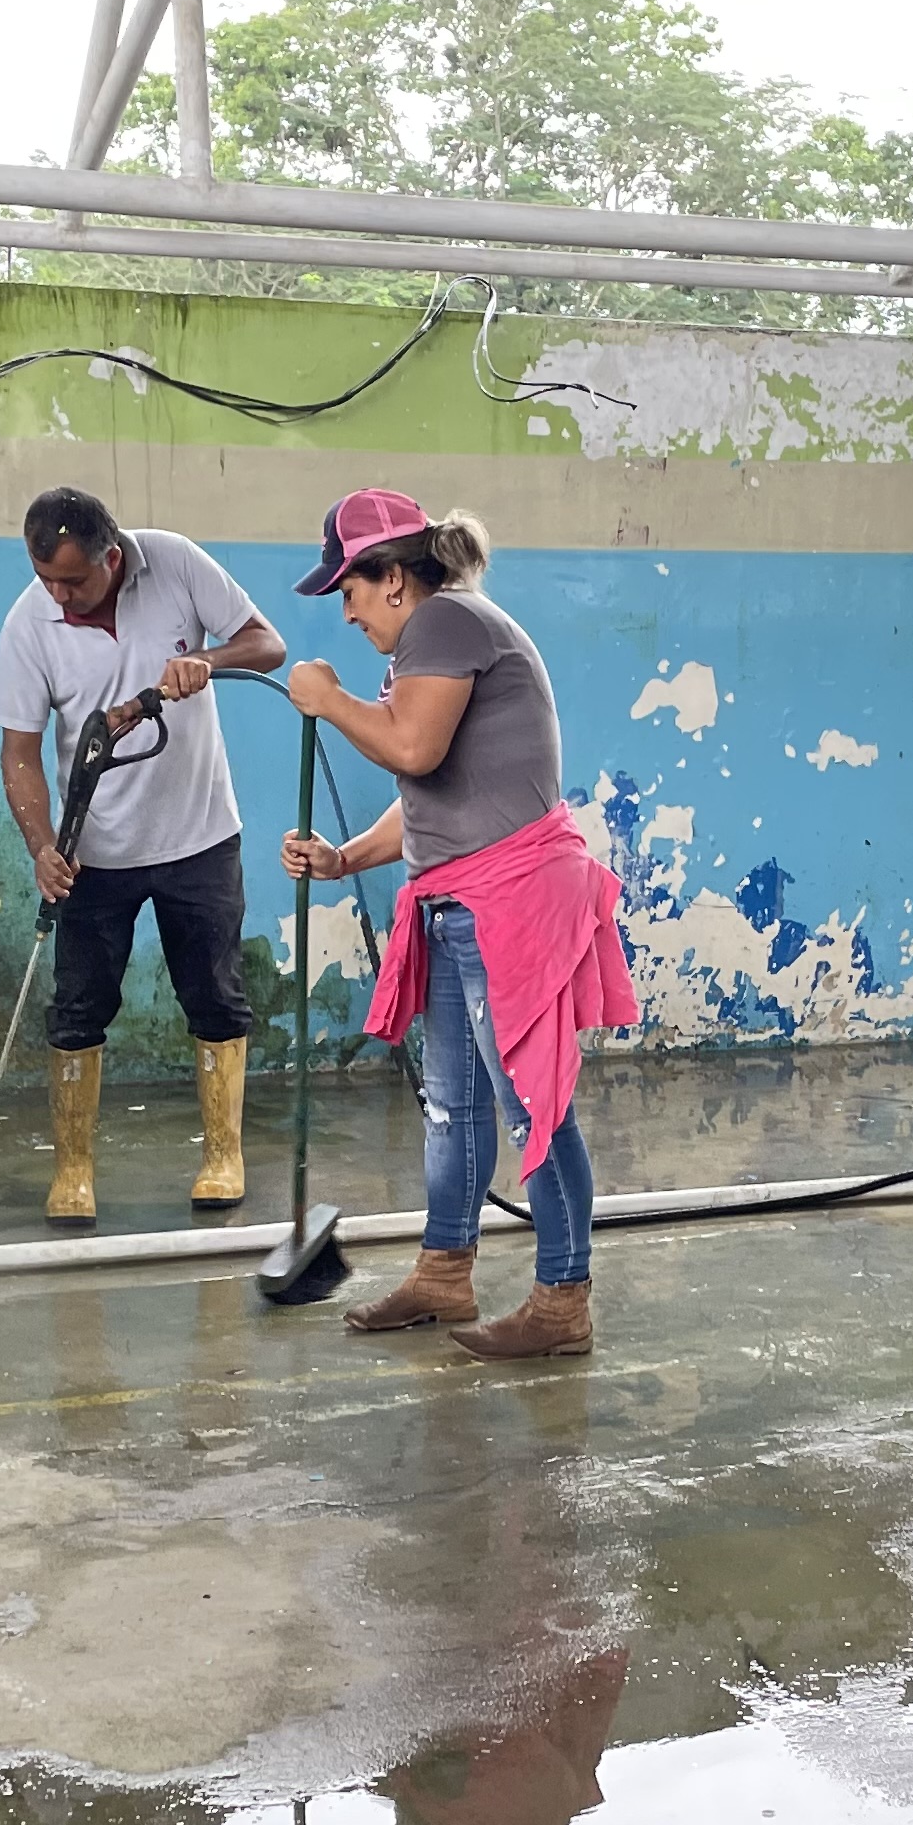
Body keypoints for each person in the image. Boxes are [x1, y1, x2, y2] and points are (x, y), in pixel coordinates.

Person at [279, 492, 637, 1359]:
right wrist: (344, 860)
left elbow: (412, 750)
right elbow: (431, 792)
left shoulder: (445, 623)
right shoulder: (429, 643)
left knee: (530, 1106)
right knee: (453, 1107)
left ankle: (563, 1298)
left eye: (350, 592)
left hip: (507, 899)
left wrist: (327, 699)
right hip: (458, 899)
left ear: (394, 579)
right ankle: (444, 1273)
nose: (348, 612)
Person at [0, 487, 290, 1223]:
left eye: (73, 581)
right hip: (93, 851)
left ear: (113, 556)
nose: (58, 596)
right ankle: (73, 1171)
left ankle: (222, 1156)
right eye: (45, 579)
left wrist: (206, 661)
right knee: (78, 1009)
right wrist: (42, 845)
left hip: (200, 835)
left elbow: (268, 644)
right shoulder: (29, 622)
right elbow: (20, 752)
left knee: (215, 997)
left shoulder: (175, 563)